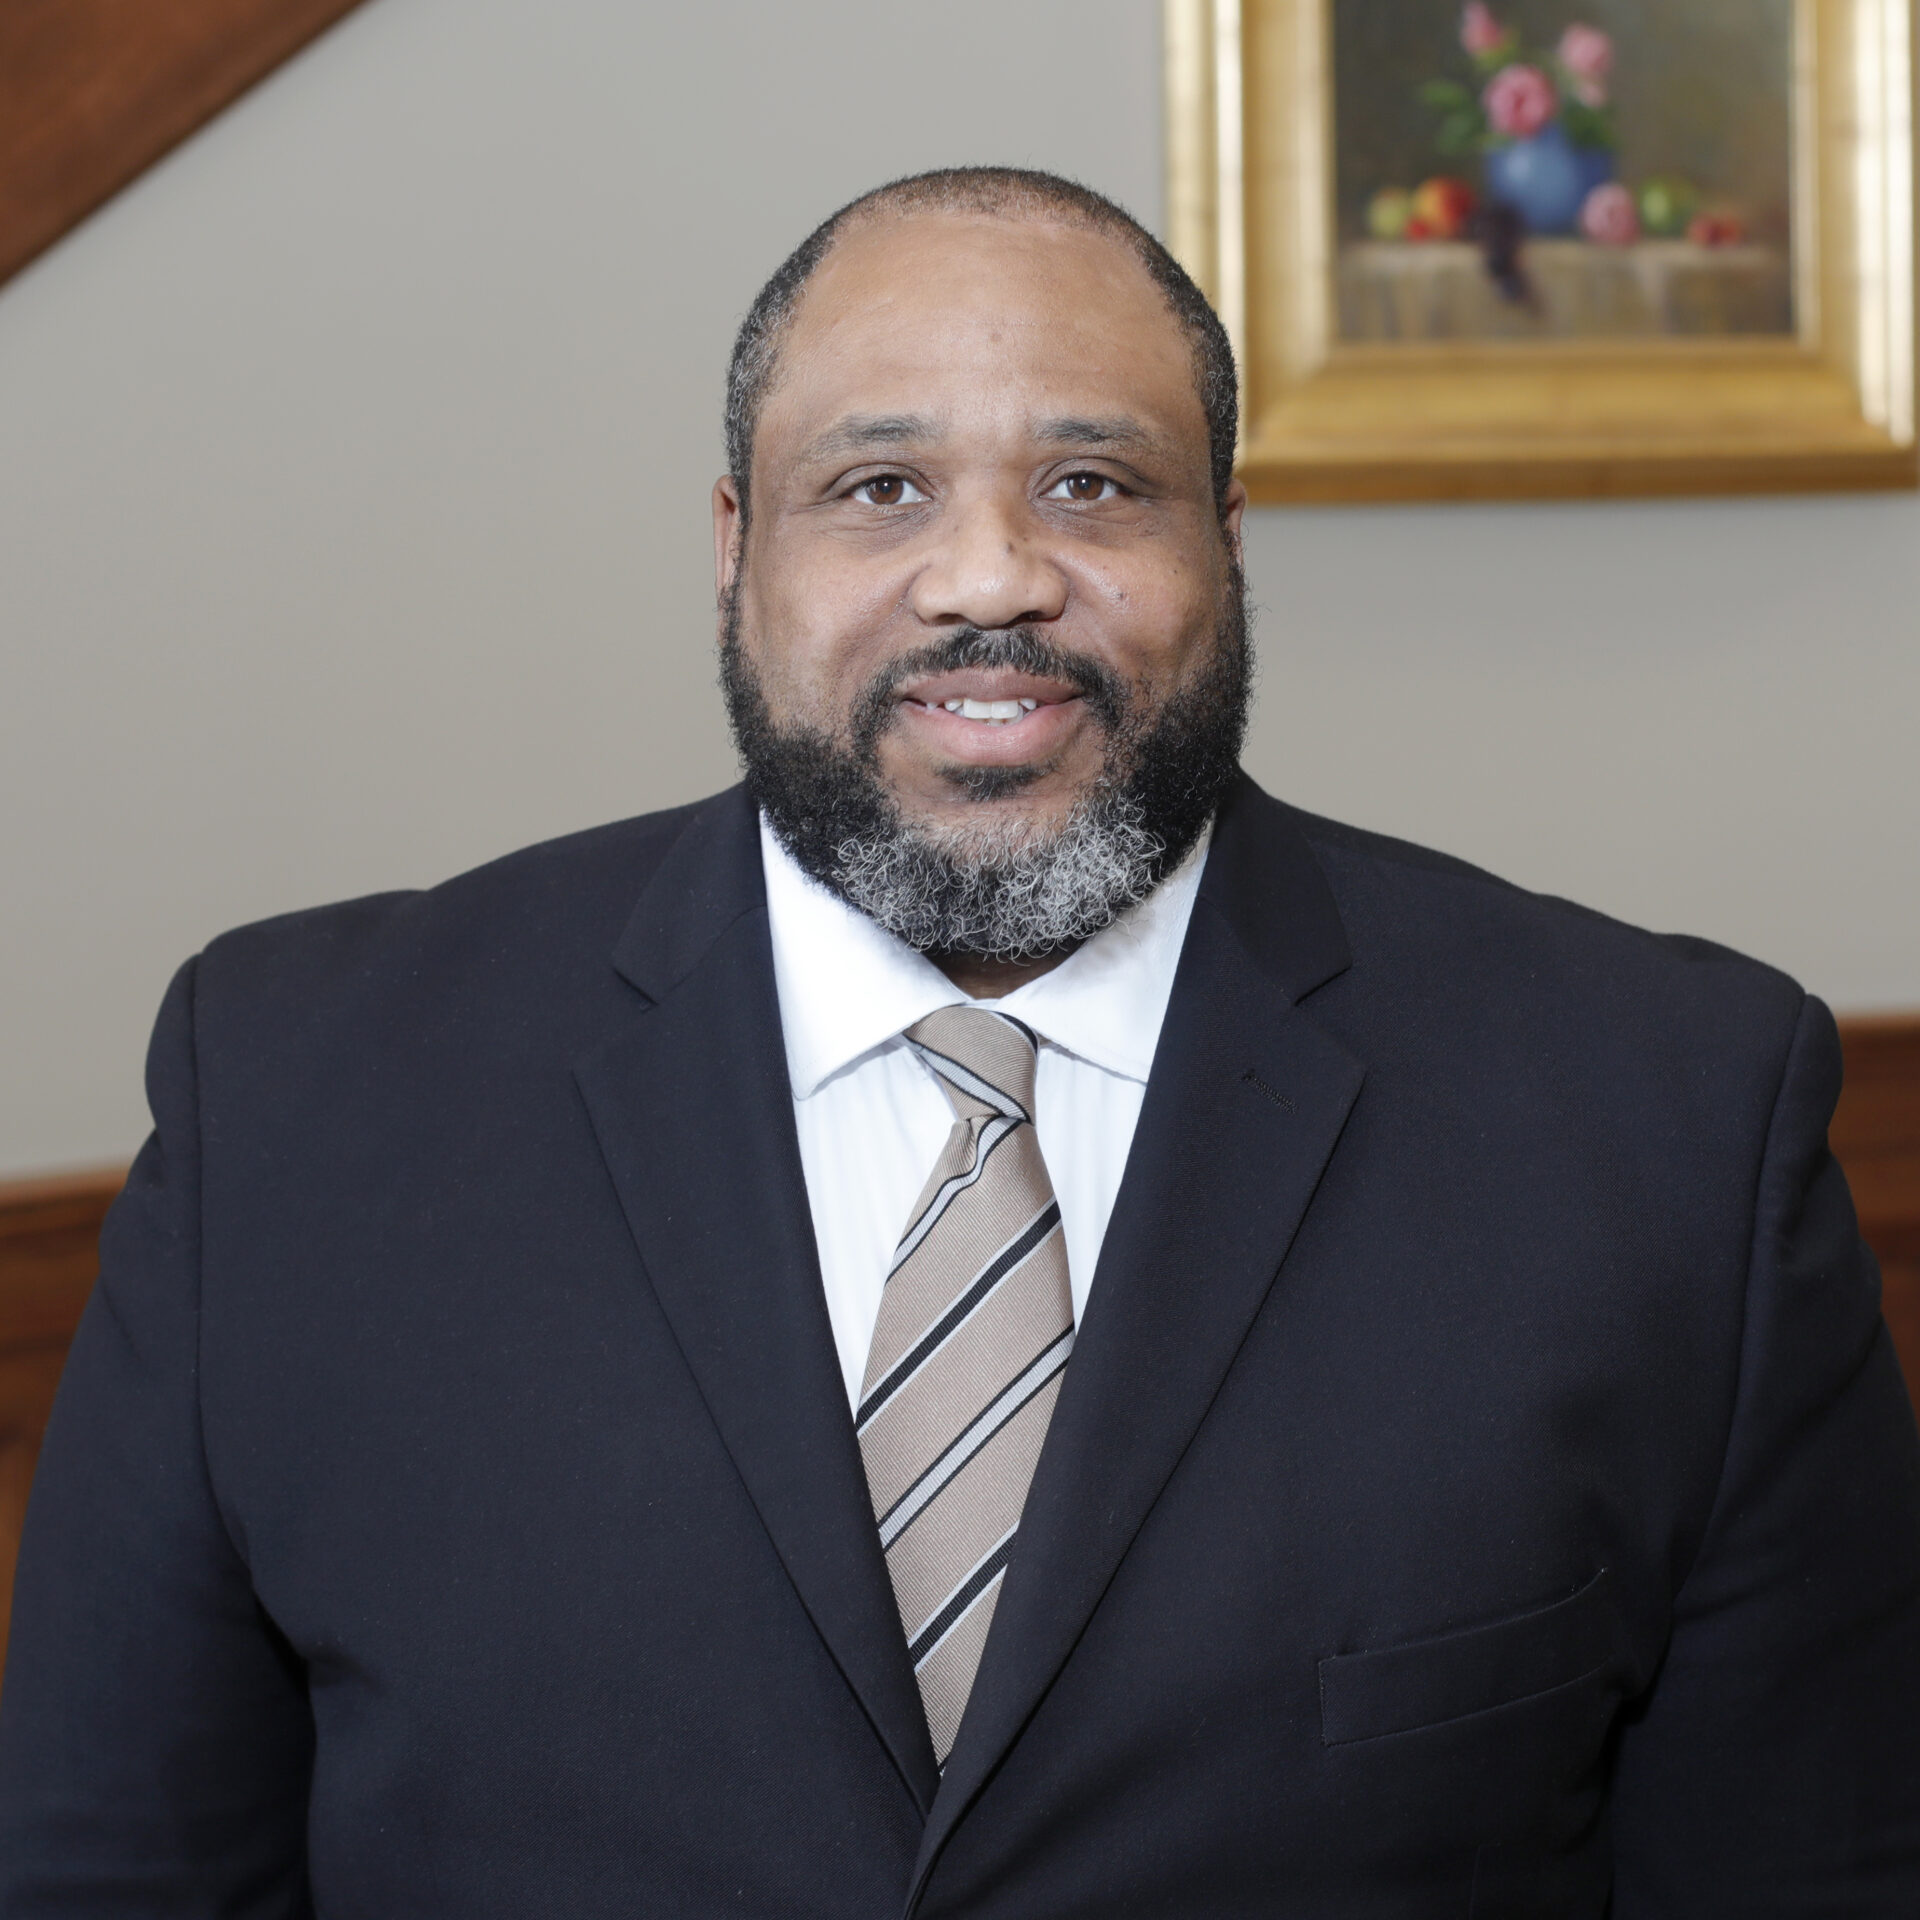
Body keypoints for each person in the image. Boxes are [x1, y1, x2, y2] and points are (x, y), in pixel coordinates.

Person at [2, 166, 1916, 1918]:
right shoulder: (294, 1099)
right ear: (736, 547)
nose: (989, 577)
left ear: (1228, 543)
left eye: (1094, 484)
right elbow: (115, 1868)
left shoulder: (1674, 1122)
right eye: (878, 488)